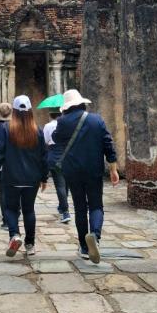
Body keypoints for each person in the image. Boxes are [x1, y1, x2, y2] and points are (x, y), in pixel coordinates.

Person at [50, 89, 119, 264]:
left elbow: (56, 139)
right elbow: (108, 144)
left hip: (72, 171)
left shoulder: (62, 122)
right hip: (94, 169)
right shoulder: (96, 120)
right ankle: (94, 235)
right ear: (82, 103)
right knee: (96, 205)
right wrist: (113, 168)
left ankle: (83, 247)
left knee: (80, 208)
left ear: (66, 106)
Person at [0, 95, 48, 257]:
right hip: (32, 178)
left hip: (11, 177)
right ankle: (30, 244)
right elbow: (44, 156)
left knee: (11, 208)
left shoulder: (7, 130)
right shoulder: (37, 130)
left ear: (14, 112)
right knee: (29, 210)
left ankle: (14, 234)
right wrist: (44, 177)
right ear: (29, 111)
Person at [43, 109, 71, 224]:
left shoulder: (48, 126)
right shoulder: (67, 124)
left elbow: (45, 141)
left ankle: (65, 211)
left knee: (59, 185)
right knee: (66, 183)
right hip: (67, 155)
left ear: (50, 114)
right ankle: (62, 205)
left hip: (54, 155)